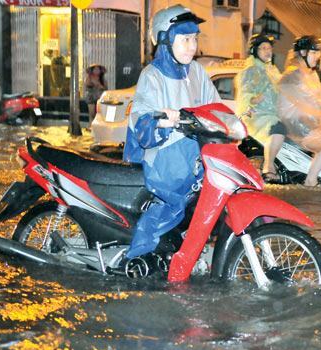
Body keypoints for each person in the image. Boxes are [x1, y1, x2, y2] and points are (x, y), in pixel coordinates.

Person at [122, 5, 220, 261]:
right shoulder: (151, 76)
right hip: (164, 160)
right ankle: (137, 257)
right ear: (165, 39)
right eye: (185, 39)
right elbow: (142, 122)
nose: (192, 46)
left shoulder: (197, 72)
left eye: (195, 38)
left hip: (195, 154)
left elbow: (215, 106)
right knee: (171, 204)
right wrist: (162, 120)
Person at [277, 35, 321, 186]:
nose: (317, 57)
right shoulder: (292, 75)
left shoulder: (310, 73)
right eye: (314, 53)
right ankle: (311, 180)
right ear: (303, 53)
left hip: (310, 121)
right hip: (296, 125)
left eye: (318, 53)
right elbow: (305, 102)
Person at [235, 34, 285, 183]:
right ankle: (268, 168)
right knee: (277, 128)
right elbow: (244, 93)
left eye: (269, 48)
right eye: (263, 48)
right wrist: (252, 99)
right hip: (257, 115)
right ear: (255, 50)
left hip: (273, 113)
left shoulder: (273, 70)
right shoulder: (251, 70)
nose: (267, 51)